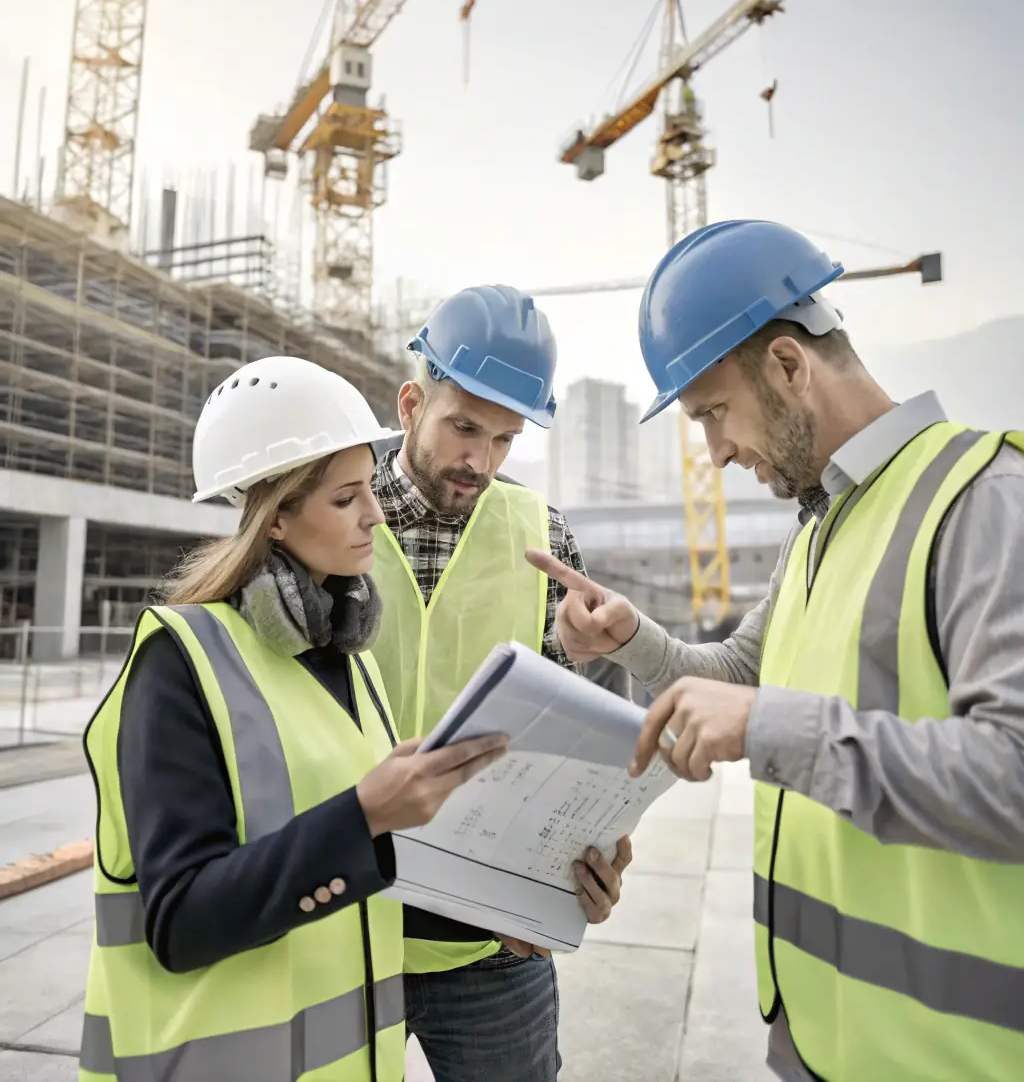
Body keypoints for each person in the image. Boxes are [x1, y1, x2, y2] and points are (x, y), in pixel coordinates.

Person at [529, 220, 1024, 1082]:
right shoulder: (819, 531)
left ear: (791, 365)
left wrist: (771, 724)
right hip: (818, 1042)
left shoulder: (983, 500)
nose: (715, 452)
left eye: (714, 412)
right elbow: (738, 678)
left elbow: (1013, 774)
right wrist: (632, 637)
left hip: (949, 1055)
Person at [79, 356, 508, 1082]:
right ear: (276, 514)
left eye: (370, 486)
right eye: (346, 497)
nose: (375, 513)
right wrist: (365, 812)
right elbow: (180, 921)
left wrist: (501, 917)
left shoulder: (346, 658)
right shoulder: (179, 663)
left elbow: (353, 887)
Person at [369, 284, 634, 1082]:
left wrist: (591, 858)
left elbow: (586, 744)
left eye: (504, 439)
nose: (478, 461)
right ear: (413, 402)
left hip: (491, 946)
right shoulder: (335, 511)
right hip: (343, 923)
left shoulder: (540, 534)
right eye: (463, 427)